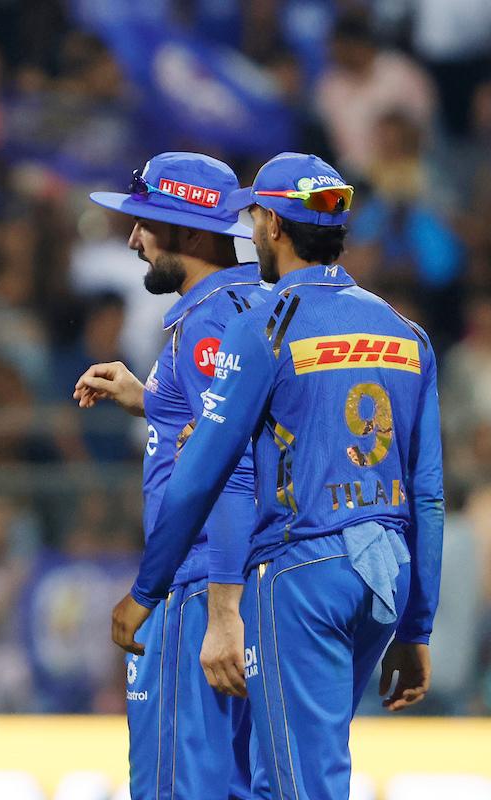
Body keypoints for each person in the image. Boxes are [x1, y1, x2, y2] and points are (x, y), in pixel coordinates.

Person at [111, 152, 443, 800]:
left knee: (294, 785)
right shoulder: (405, 332)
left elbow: (203, 474)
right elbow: (427, 495)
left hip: (300, 574)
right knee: (278, 772)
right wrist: (416, 628)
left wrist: (147, 591)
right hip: (385, 574)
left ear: (272, 226)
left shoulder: (262, 324)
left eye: (256, 216)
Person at [75, 152, 265, 799]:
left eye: (144, 225)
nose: (132, 240)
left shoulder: (210, 322)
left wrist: (221, 610)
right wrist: (153, 400)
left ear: (188, 232)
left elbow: (231, 466)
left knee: (176, 784)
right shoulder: (253, 303)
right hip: (247, 578)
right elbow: (235, 426)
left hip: (200, 584)